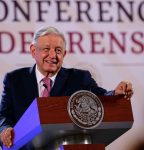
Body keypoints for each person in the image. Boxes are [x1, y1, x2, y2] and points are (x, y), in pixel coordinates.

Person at [0, 26, 133, 149]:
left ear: (64, 54)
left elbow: (99, 98)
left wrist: (116, 93)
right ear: (33, 51)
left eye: (58, 50)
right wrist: (4, 129)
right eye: (46, 49)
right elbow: (3, 115)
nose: (53, 55)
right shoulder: (14, 80)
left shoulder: (80, 78)